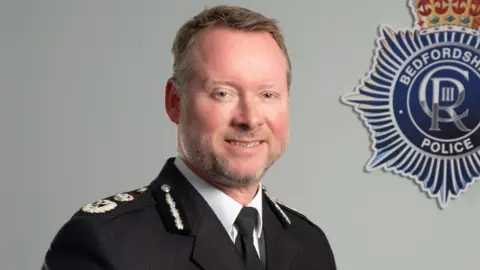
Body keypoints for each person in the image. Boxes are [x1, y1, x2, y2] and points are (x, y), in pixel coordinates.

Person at [41, 5, 336, 270]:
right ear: (175, 101)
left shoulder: (309, 244)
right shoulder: (106, 242)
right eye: (223, 93)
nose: (250, 118)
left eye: (267, 95)